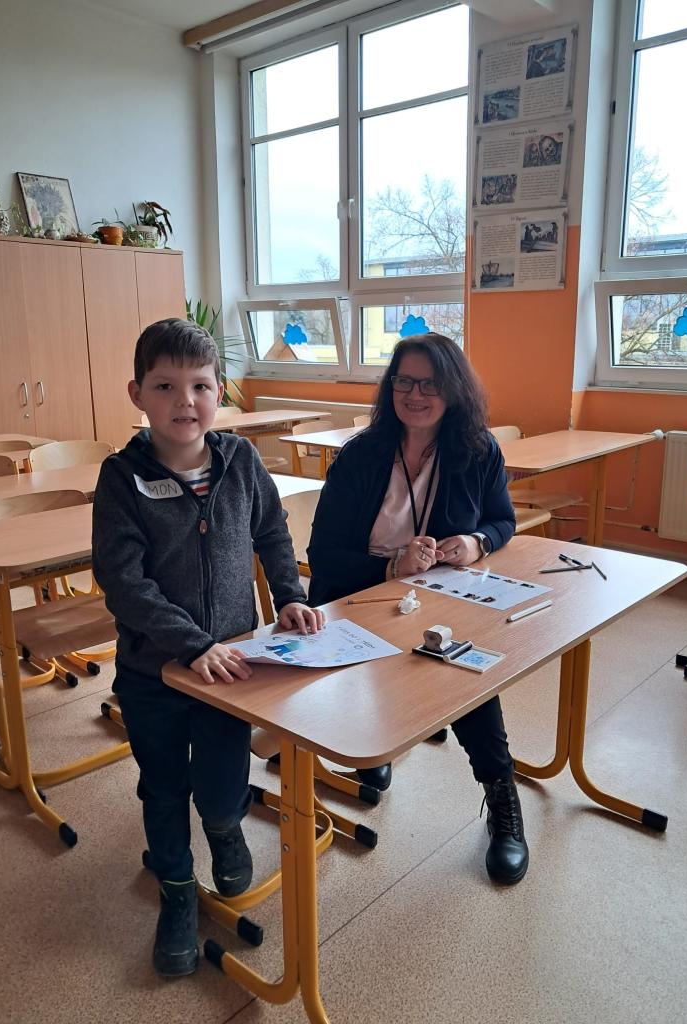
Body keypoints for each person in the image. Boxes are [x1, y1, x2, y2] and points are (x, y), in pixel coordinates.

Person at [92, 318, 323, 978]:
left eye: (200, 386)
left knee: (223, 787)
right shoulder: (122, 478)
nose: (184, 401)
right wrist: (192, 645)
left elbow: (271, 532)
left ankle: (223, 830)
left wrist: (289, 596)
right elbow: (124, 583)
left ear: (220, 392)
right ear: (138, 394)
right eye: (165, 386)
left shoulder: (240, 461)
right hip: (154, 672)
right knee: (164, 790)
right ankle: (176, 892)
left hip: (230, 669)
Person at [307, 333, 529, 886]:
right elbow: (322, 556)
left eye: (430, 384)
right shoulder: (360, 455)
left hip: (438, 596)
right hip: (356, 595)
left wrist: (476, 541)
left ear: (453, 390)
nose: (415, 395)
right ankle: (377, 746)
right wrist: (390, 568)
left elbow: (503, 519)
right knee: (391, 663)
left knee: (467, 670)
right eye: (404, 381)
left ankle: (502, 799)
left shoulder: (477, 450)